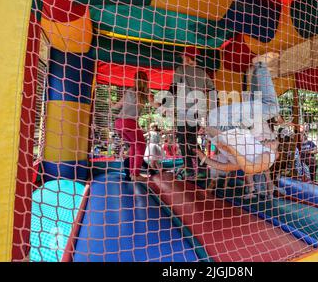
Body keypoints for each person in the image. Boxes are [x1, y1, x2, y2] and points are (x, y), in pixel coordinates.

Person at [196, 52, 283, 199]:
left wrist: (212, 134)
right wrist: (203, 157)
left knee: (272, 107)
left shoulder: (263, 160)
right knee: (259, 103)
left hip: (223, 123)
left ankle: (260, 65)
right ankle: (257, 68)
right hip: (221, 125)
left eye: (274, 145)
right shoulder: (247, 158)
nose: (274, 142)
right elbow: (223, 167)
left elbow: (244, 163)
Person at [167, 47, 215, 180]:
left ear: (187, 58)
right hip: (198, 111)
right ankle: (202, 168)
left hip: (184, 111)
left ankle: (189, 169)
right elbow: (212, 89)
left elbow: (173, 88)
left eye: (183, 56)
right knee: (192, 141)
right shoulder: (202, 73)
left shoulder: (180, 70)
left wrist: (164, 105)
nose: (182, 58)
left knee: (182, 140)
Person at [112, 71, 160, 178]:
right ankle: (136, 174)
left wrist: (111, 103)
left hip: (118, 123)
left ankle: (131, 173)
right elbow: (155, 104)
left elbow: (116, 106)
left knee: (134, 145)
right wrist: (163, 105)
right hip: (129, 122)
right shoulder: (146, 92)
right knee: (141, 145)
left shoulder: (129, 91)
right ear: (146, 81)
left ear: (135, 81)